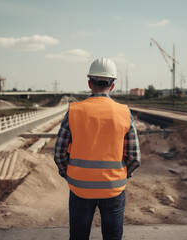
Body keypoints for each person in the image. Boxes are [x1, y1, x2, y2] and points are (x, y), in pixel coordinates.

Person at [54, 57, 141, 240]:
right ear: (113, 85)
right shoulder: (124, 112)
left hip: (80, 186)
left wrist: (69, 174)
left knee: (78, 236)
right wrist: (123, 175)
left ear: (89, 83)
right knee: (112, 237)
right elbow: (134, 157)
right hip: (114, 188)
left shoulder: (74, 110)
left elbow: (59, 153)